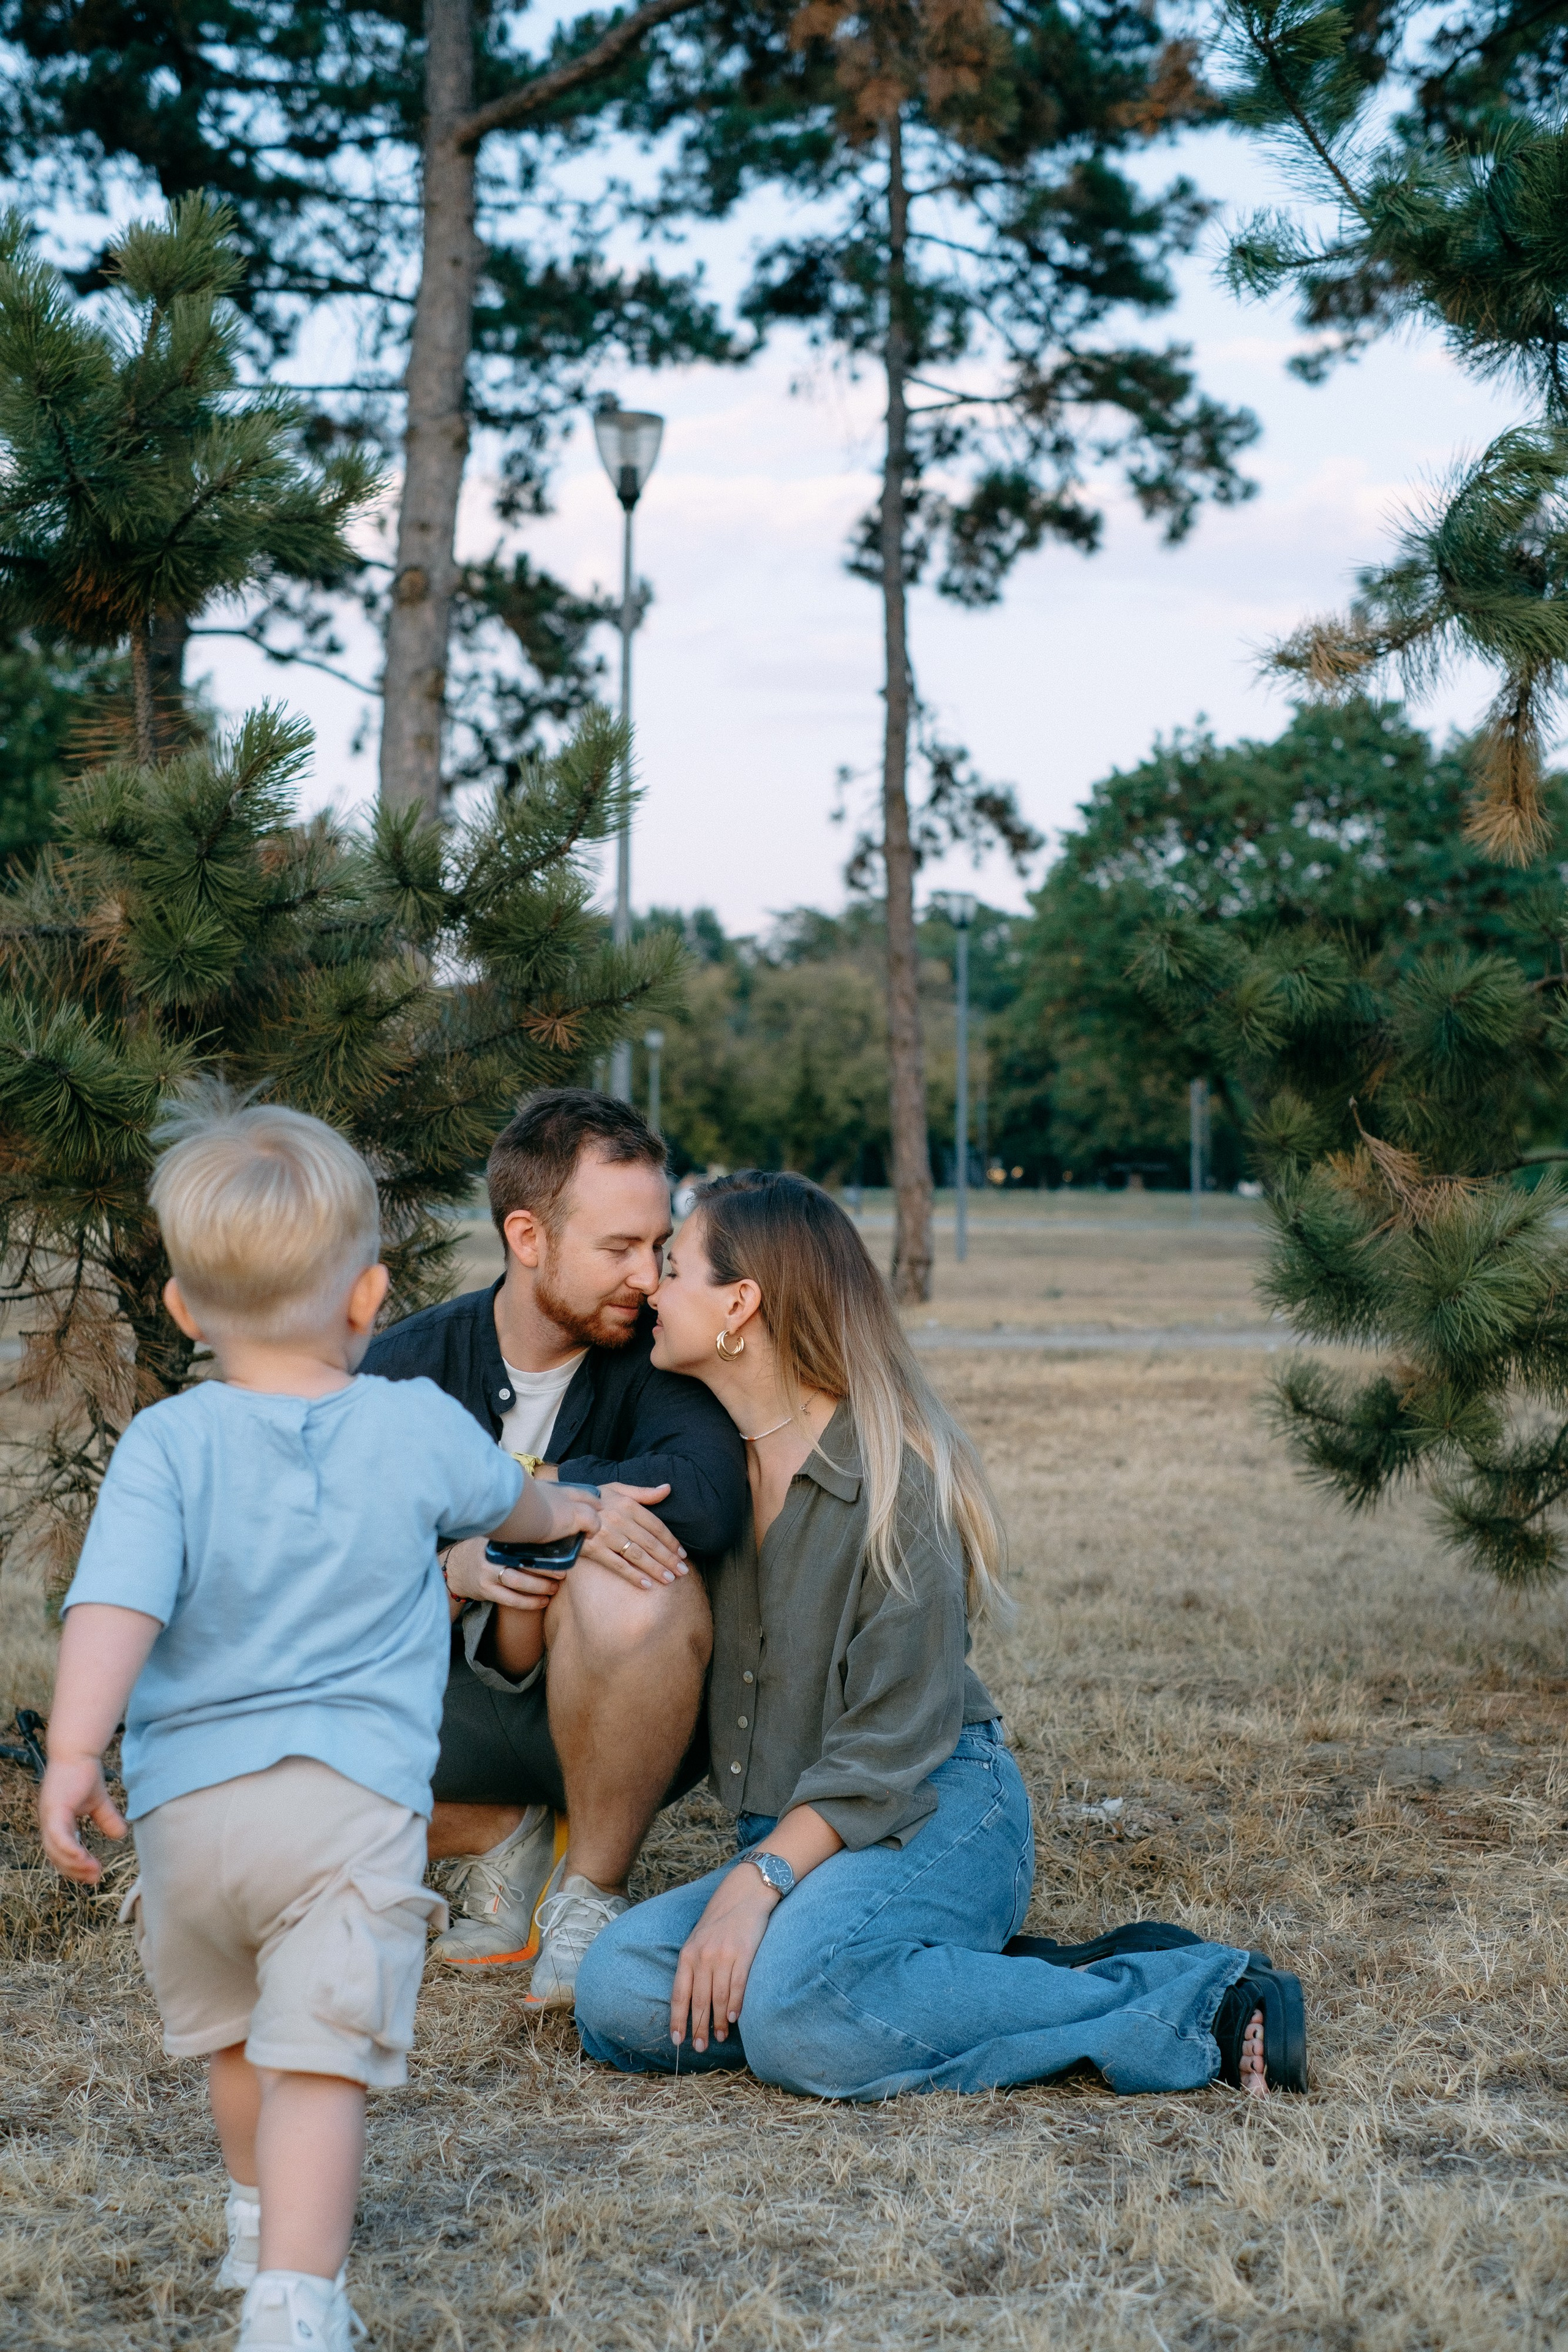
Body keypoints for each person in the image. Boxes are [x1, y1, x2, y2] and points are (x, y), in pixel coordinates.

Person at [36, 1098, 603, 2352]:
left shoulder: (167, 1443)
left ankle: (253, 2216)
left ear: (184, 1310)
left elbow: (115, 1605)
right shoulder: (407, 1423)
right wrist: (571, 1515)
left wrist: (76, 1753)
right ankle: (298, 2300)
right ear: (369, 1297)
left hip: (189, 1815)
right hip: (346, 1808)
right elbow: (511, 1502)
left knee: (235, 2035)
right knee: (318, 2060)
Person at [575, 1171, 1308, 2101]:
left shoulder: (892, 1484)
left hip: (930, 1806)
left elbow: (892, 1747)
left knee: (798, 2020)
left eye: (673, 1267)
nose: (649, 1287)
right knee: (617, 1991)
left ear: (740, 1305)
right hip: (802, 1843)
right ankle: (929, 1978)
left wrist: (753, 1883)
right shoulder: (705, 1467)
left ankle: (1191, 1997)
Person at [363, 1089, 747, 2008]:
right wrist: (447, 1563)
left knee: (635, 1570)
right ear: (528, 1237)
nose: (649, 1277)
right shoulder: (404, 1367)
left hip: (620, 1696)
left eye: (658, 1247)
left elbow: (710, 1496)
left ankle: (588, 1898)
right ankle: (501, 1833)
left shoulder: (659, 1354)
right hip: (440, 1715)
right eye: (618, 1250)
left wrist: (557, 1498)